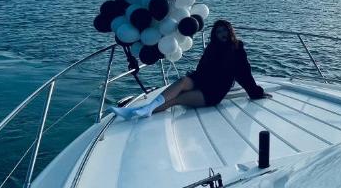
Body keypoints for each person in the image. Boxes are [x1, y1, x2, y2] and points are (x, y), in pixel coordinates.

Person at [110, 19, 269, 119]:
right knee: (183, 81)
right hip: (203, 82)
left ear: (230, 31)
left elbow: (244, 73)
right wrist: (192, 81)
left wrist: (256, 92)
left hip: (213, 92)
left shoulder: (237, 48)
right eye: (218, 31)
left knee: (177, 100)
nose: (222, 34)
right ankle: (146, 108)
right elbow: (201, 70)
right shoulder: (212, 47)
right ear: (215, 35)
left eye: (224, 31)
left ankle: (141, 111)